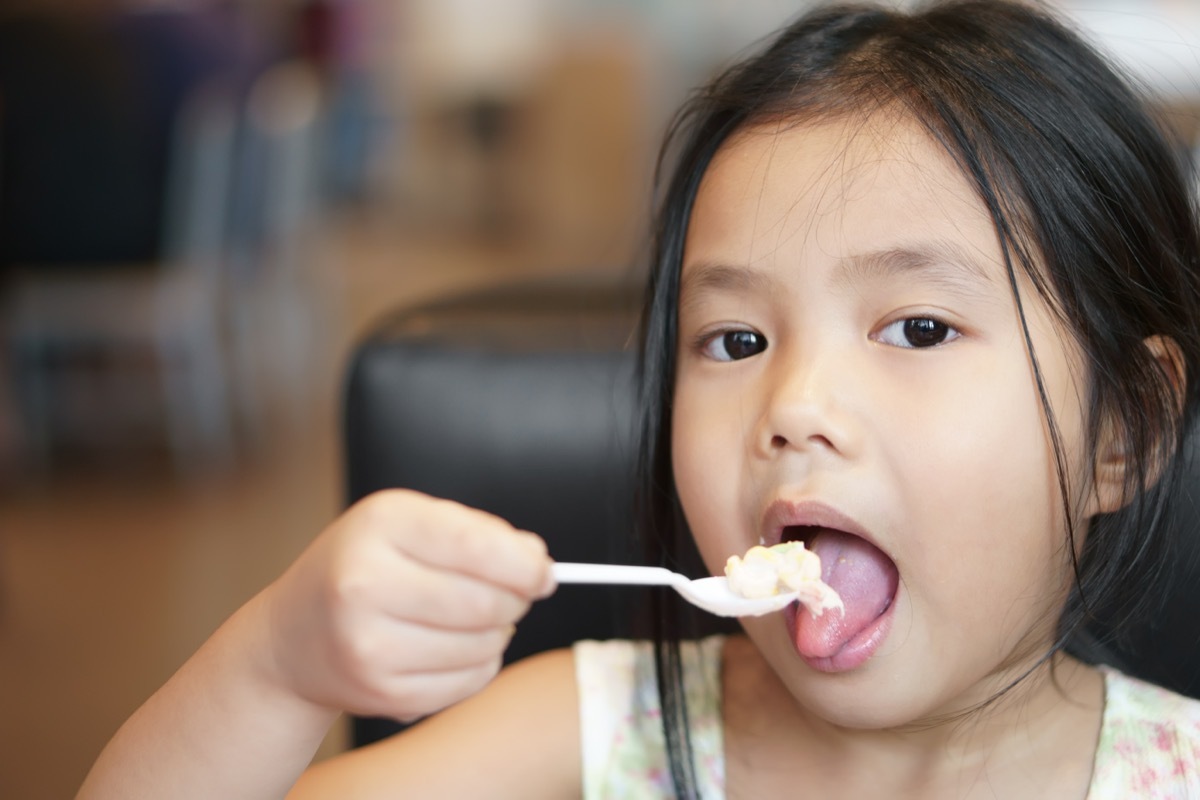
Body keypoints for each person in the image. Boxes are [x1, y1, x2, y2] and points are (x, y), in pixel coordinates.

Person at [77, 1, 1200, 797]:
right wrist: (277, 662)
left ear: (1127, 429)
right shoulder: (603, 729)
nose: (795, 403)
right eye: (736, 337)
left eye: (917, 326)